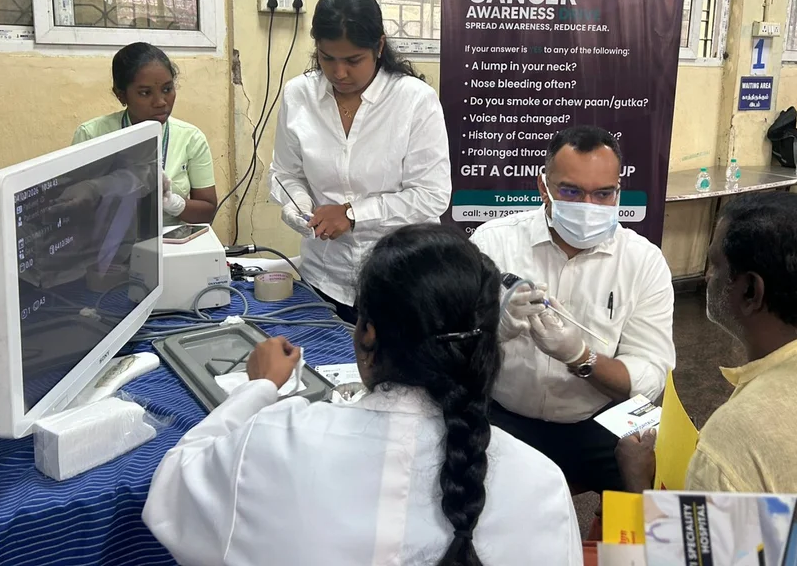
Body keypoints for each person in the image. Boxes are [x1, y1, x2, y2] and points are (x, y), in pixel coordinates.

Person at [142, 224, 583, 566]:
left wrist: (259, 389)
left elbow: (169, 496)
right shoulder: (542, 484)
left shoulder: (274, 442)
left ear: (367, 336)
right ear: (487, 344)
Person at [616, 192, 797, 495]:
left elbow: (688, 544)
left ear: (751, 291)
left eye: (715, 265)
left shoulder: (731, 444)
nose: (706, 277)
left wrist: (637, 481)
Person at [469, 126, 675, 494]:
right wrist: (493, 328)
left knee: (656, 482)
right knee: (462, 494)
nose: (587, 207)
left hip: (596, 419)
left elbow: (651, 374)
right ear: (543, 187)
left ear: (618, 193)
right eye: (571, 191)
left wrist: (581, 357)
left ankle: (622, 550)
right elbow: (452, 343)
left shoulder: (643, 261)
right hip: (503, 414)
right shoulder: (492, 243)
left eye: (602, 194)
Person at [269, 0, 450, 323]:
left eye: (353, 60)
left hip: (400, 280)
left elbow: (432, 196)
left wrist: (353, 214)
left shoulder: (414, 101)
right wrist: (297, 206)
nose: (339, 73)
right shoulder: (299, 95)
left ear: (379, 46)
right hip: (324, 277)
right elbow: (284, 173)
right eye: (327, 58)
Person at [73, 42, 217, 226]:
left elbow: (208, 213)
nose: (160, 102)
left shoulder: (191, 138)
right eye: (145, 93)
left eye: (167, 89)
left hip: (171, 244)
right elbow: (76, 211)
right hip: (111, 245)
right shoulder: (92, 135)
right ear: (121, 95)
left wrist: (173, 203)